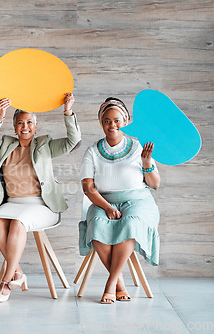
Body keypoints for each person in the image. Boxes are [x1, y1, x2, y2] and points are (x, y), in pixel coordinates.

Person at [0, 93, 81, 302]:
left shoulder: (45, 144)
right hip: (12, 203)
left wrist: (68, 111)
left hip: (41, 205)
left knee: (18, 223)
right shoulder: (6, 145)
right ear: (14, 127)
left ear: (35, 126)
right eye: (19, 123)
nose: (24, 126)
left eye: (29, 122)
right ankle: (18, 272)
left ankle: (7, 281)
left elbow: (73, 141)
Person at [79, 97, 160, 304]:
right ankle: (120, 284)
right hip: (102, 201)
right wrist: (106, 207)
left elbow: (155, 184)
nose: (112, 125)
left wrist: (146, 163)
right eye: (107, 121)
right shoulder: (93, 151)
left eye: (116, 120)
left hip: (138, 200)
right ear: (101, 123)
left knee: (130, 223)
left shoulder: (138, 145)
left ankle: (110, 284)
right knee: (95, 224)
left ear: (124, 121)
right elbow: (88, 188)